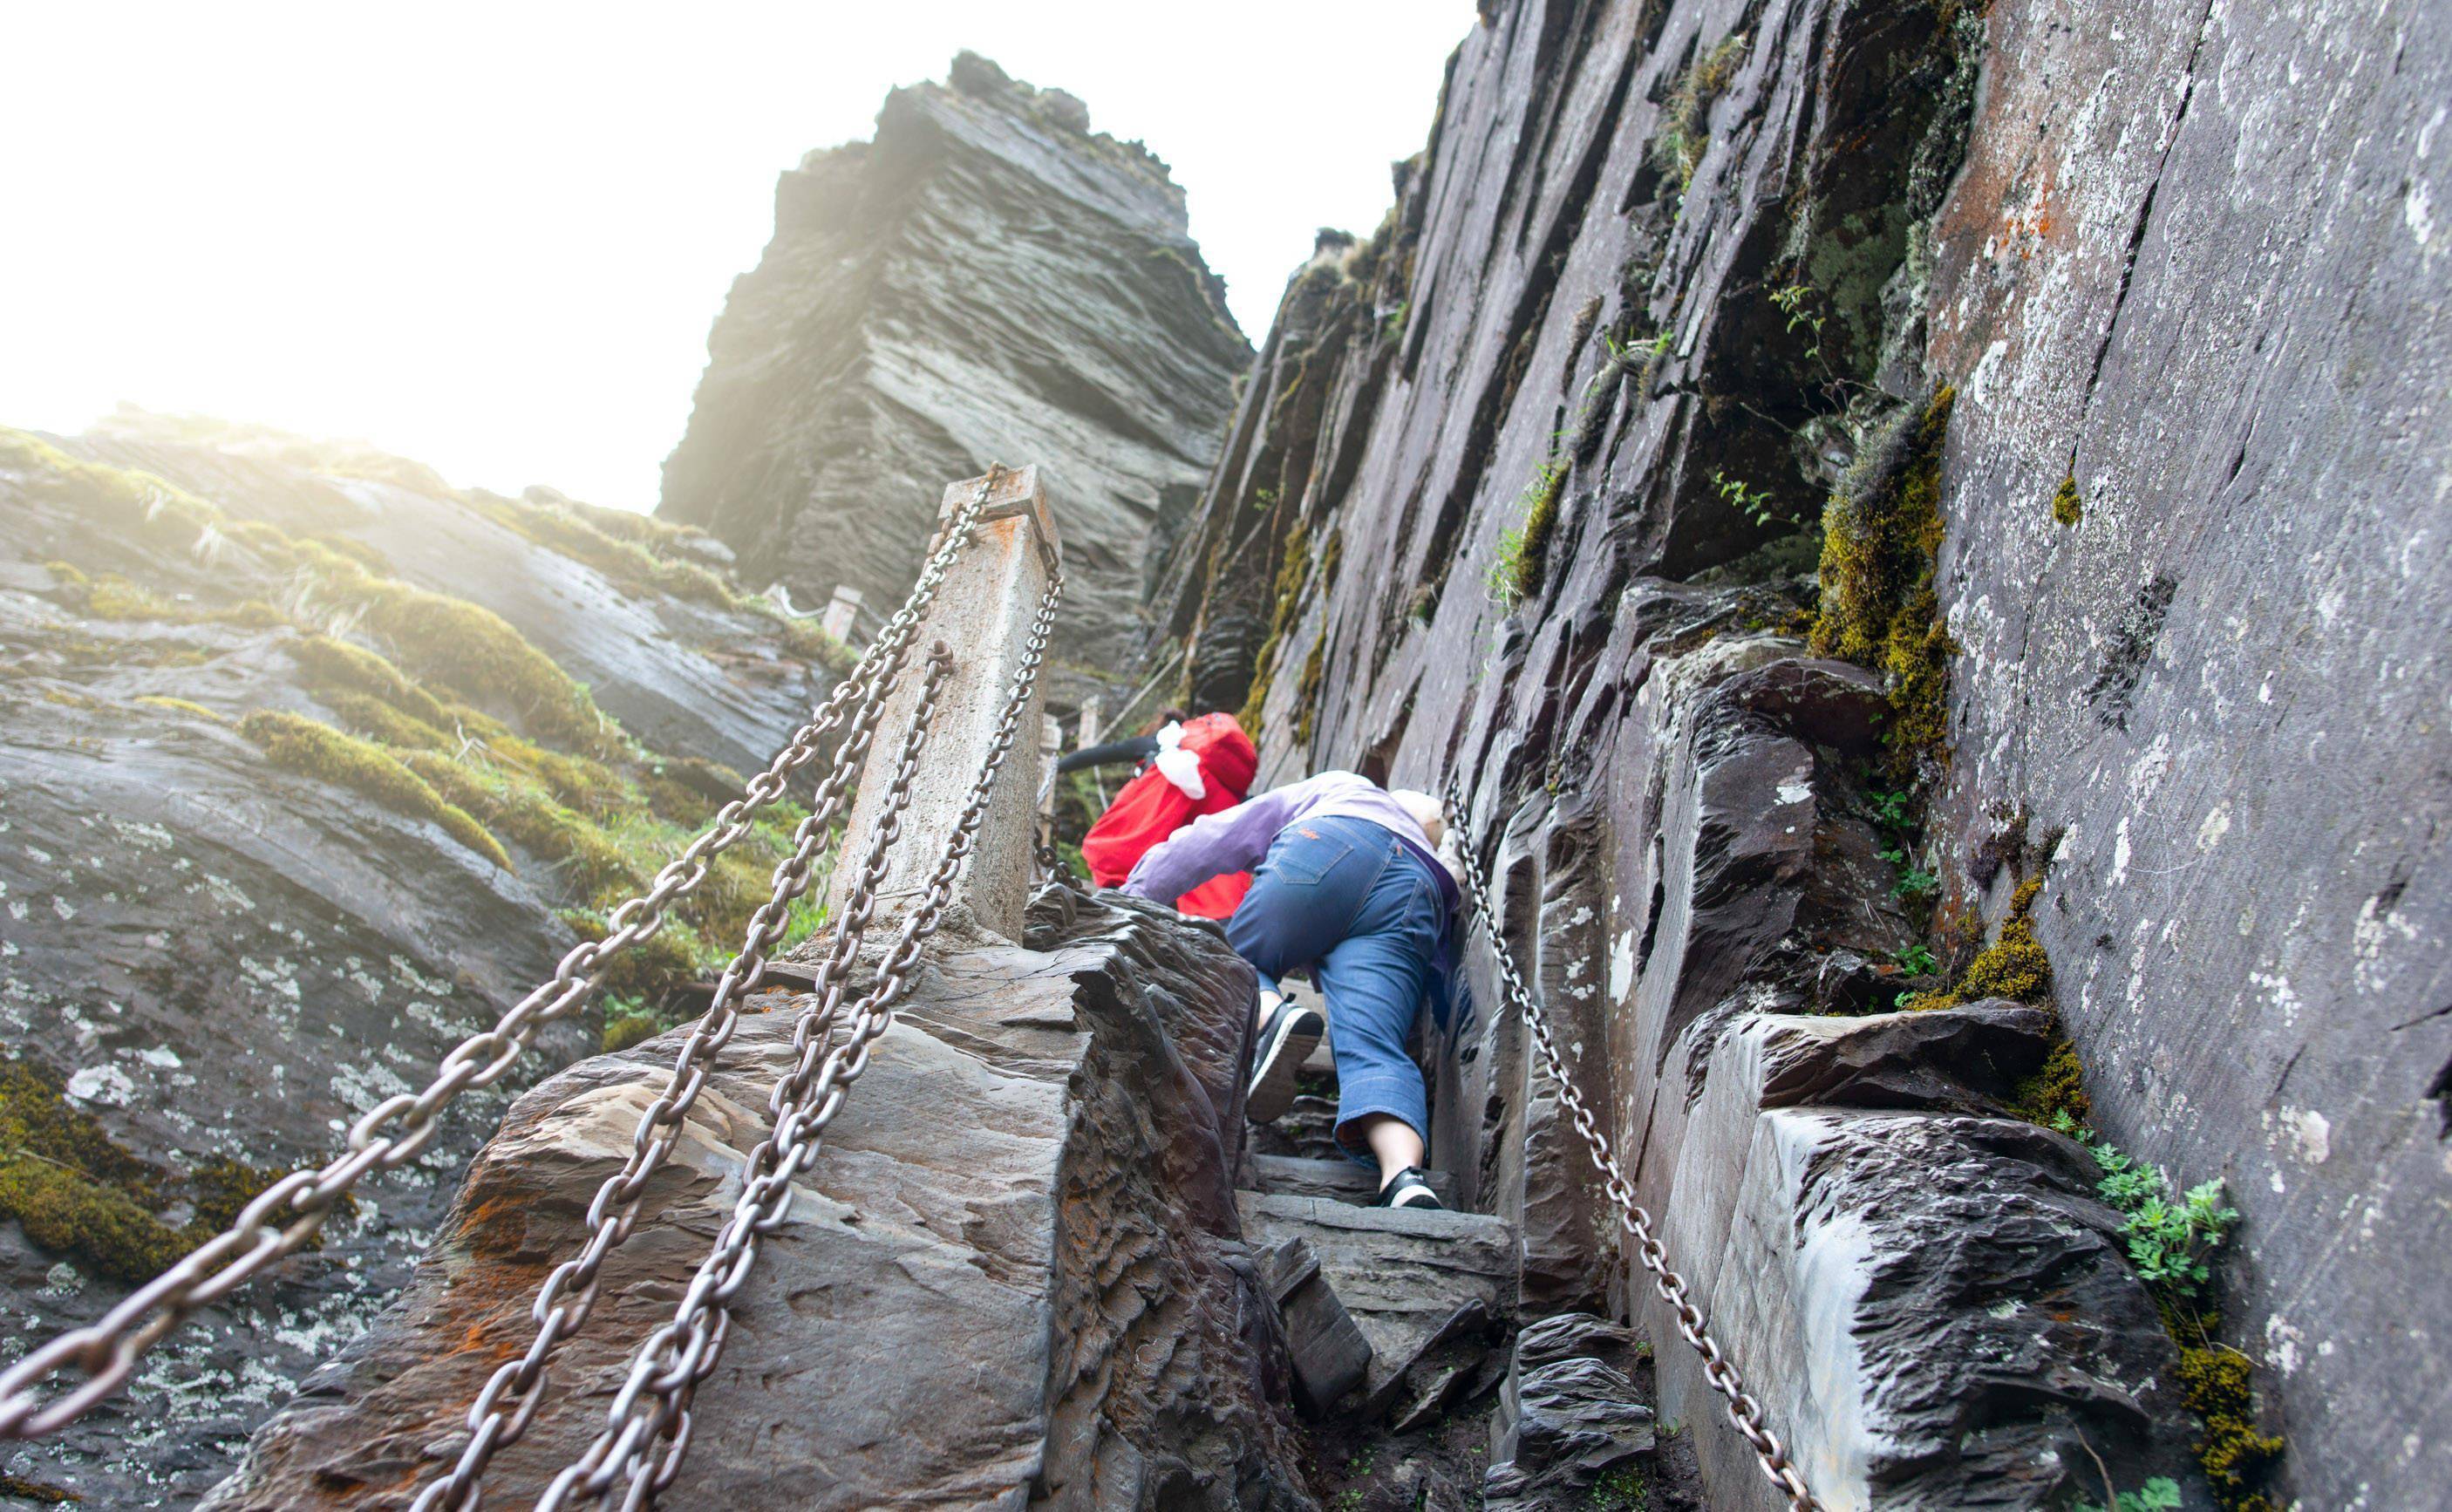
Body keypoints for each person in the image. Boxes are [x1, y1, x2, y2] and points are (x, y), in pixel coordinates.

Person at [1122, 771, 1459, 1209]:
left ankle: (1272, 1015)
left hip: (1332, 843)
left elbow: (1219, 836)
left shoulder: (1345, 786)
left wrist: (1135, 896)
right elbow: (1438, 971)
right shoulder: (1430, 856)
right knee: (1375, 1047)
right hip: (1415, 889)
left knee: (1231, 959)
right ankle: (1405, 1179)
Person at [1075, 711, 1259, 918]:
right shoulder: (1218, 768)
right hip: (1218, 871)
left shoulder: (1160, 742)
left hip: (1161, 838)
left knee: (1120, 860)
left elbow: (1101, 754)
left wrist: (1060, 765)